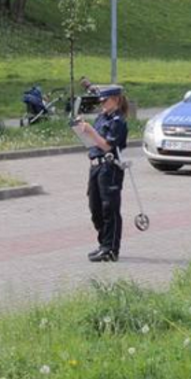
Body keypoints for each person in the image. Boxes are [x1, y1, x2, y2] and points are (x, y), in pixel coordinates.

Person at [75, 85, 129, 262]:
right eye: (101, 101)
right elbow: (93, 142)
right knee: (95, 208)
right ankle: (103, 244)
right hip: (95, 165)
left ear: (116, 99)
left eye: (105, 101)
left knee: (109, 208)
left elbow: (107, 145)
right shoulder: (101, 118)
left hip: (109, 167)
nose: (102, 104)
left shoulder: (118, 121)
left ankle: (111, 249)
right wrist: (82, 130)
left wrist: (91, 132)